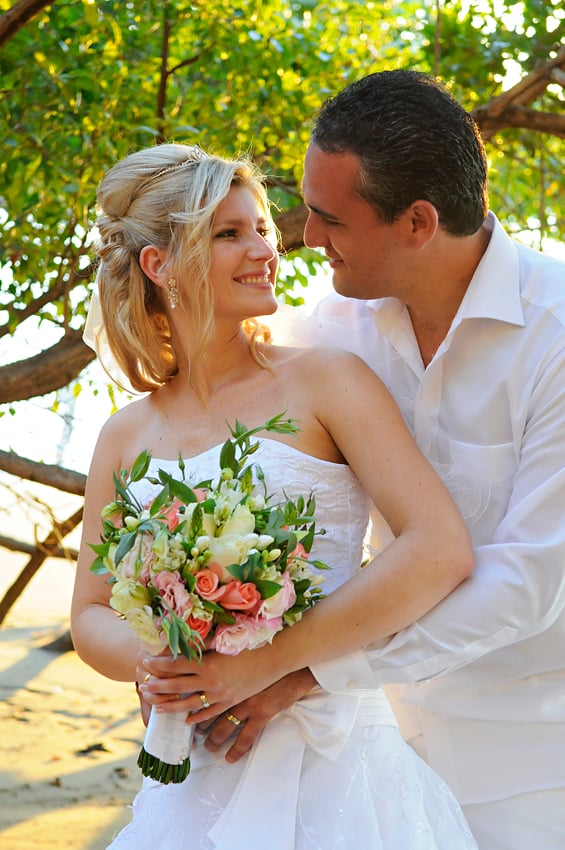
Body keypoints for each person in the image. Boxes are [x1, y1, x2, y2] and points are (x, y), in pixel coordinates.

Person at [71, 142, 478, 850]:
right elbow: (91, 613)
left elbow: (437, 549)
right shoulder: (123, 436)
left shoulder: (326, 381)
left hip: (339, 762)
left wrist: (267, 664)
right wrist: (159, 665)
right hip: (197, 771)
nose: (264, 249)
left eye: (261, 227)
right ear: (158, 265)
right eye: (228, 233)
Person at [298, 70, 565, 849]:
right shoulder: (332, 326)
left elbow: (533, 580)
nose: (308, 238)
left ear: (416, 221)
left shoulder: (556, 334)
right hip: (366, 741)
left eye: (328, 218)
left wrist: (313, 671)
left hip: (533, 750)